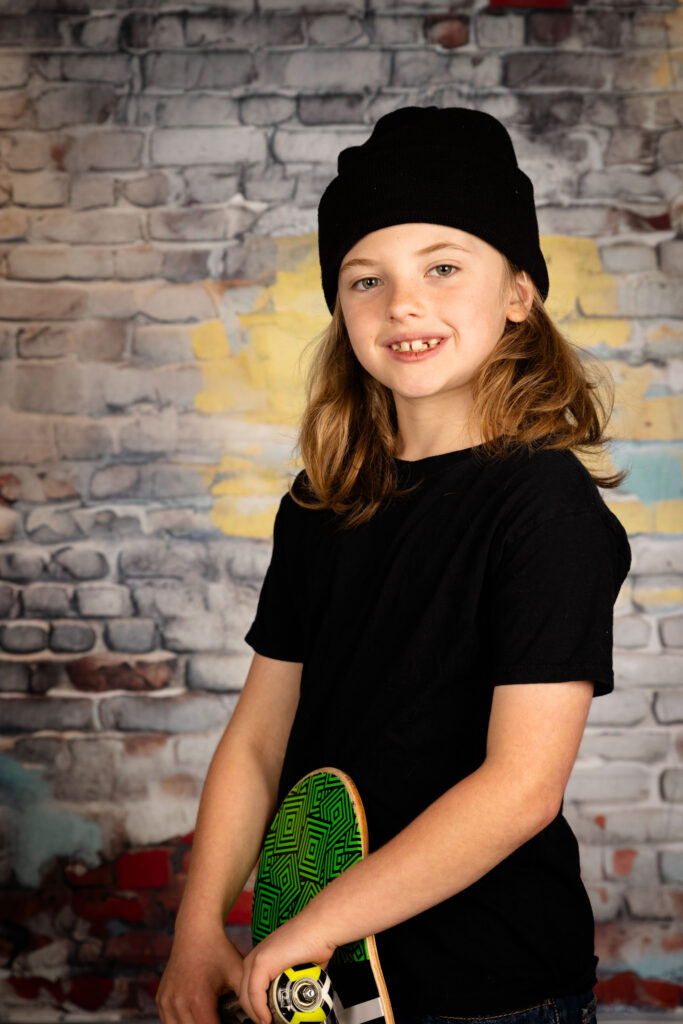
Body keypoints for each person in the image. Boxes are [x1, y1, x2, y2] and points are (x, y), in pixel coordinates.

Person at [156, 106, 632, 1024]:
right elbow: (258, 743)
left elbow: (519, 790)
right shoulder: (320, 501)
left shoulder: (542, 506)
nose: (402, 304)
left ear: (519, 292)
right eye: (364, 278)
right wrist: (197, 925)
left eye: (443, 267)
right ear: (339, 307)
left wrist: (314, 925)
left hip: (487, 989)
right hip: (321, 987)